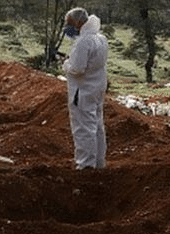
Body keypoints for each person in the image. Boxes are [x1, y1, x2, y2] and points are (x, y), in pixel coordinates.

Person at [62, 8, 108, 170]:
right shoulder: (101, 39)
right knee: (96, 126)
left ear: (78, 22)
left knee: (83, 128)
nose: (67, 27)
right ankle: (98, 163)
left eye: (69, 23)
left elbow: (78, 68)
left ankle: (86, 164)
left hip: (81, 91)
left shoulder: (84, 41)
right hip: (96, 88)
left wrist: (66, 64)